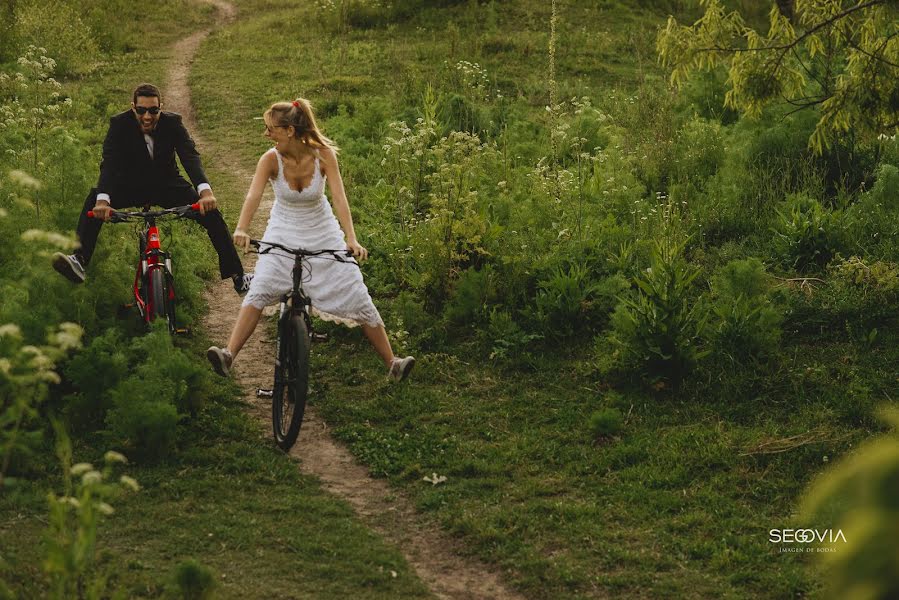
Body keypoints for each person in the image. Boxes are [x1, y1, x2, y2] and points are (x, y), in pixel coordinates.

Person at [206, 98, 415, 382]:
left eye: (271, 129)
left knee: (353, 288)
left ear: (289, 130)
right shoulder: (269, 159)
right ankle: (229, 355)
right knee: (262, 285)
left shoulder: (324, 155)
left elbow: (339, 198)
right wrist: (241, 228)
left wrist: (351, 239)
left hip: (322, 229)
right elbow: (253, 195)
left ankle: (393, 362)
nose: (266, 135)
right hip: (283, 227)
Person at [52, 83, 252, 295]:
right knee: (94, 199)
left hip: (167, 186)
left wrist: (205, 192)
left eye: (153, 110)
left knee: (210, 212)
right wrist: (103, 201)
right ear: (133, 108)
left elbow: (189, 156)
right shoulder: (119, 124)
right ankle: (79, 260)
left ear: (161, 108)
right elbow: (110, 163)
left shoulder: (173, 123)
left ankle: (238, 276)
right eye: (141, 110)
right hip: (129, 185)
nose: (147, 116)